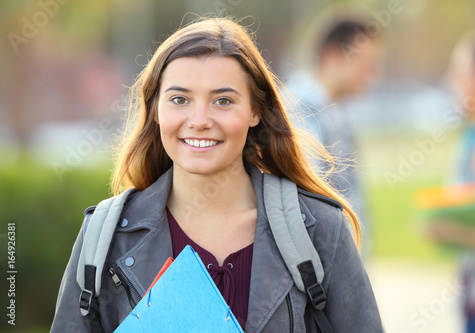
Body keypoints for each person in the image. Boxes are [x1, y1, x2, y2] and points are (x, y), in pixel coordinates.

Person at [50, 17, 383, 332]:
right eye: (179, 99)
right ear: (155, 110)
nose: (199, 119)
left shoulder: (321, 230)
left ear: (255, 110)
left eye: (223, 101)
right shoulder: (105, 237)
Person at [287, 17, 383, 252]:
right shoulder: (300, 115)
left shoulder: (334, 112)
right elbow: (305, 210)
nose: (372, 74)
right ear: (332, 57)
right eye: (365, 62)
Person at [426, 31, 475, 332]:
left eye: (460, 72)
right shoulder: (468, 142)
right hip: (473, 302)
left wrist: (457, 232)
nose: (450, 80)